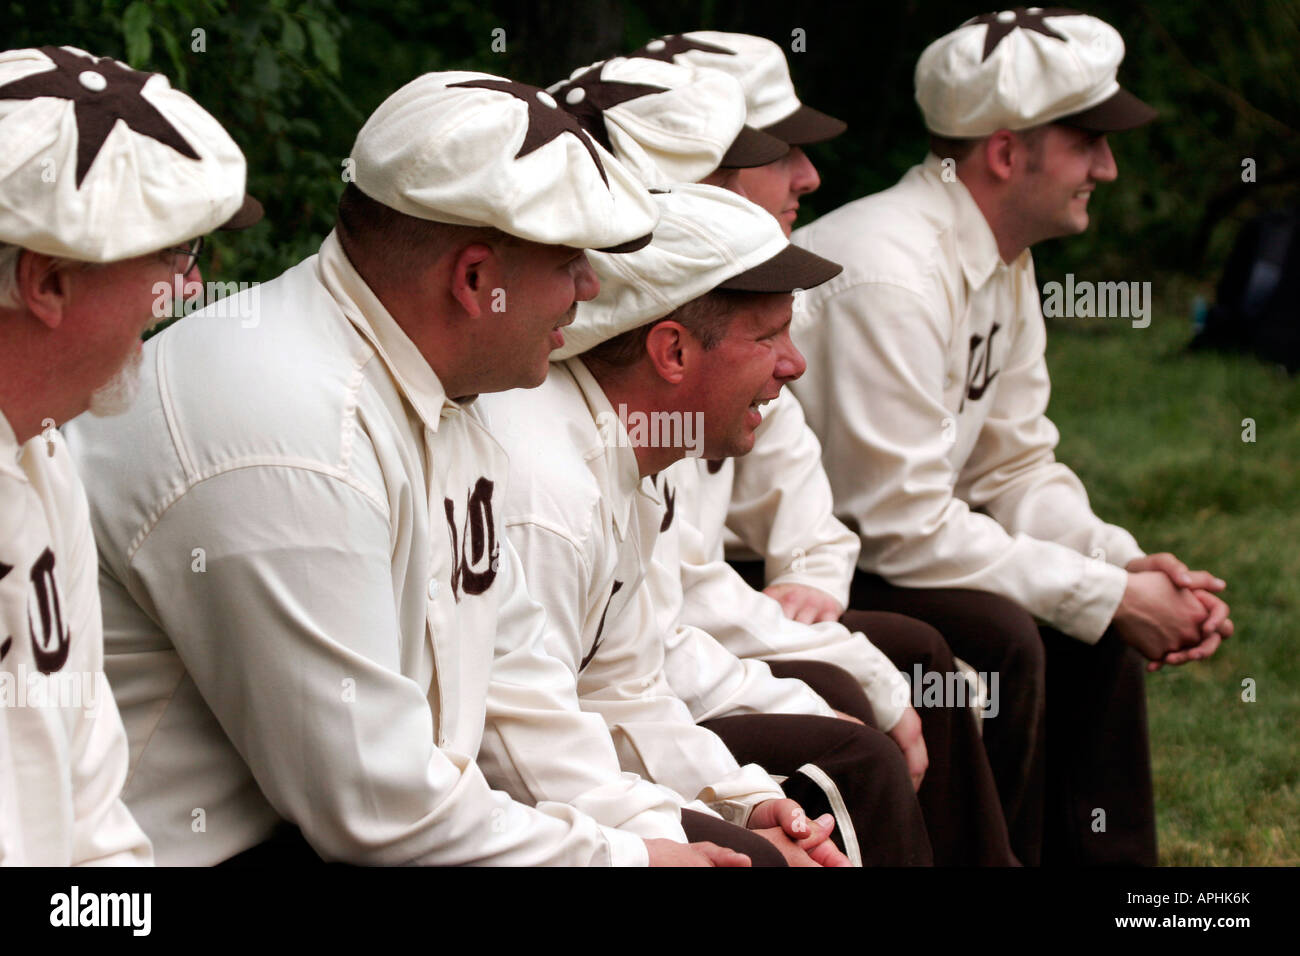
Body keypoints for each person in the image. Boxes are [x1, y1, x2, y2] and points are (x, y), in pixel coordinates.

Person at [63, 69, 768, 867]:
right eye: (569, 260)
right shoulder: (297, 434)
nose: (591, 286)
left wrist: (674, 825)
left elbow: (510, 687)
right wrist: (626, 860)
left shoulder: (434, 394)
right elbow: (374, 806)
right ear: (474, 280)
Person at [792, 8, 1233, 865]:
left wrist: (1120, 565)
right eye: (1087, 141)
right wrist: (1102, 594)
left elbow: (1016, 464)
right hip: (804, 567)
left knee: (1087, 621)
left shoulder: (1000, 254)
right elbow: (902, 527)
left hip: (890, 542)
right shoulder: (890, 273)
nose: (1106, 167)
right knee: (1006, 633)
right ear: (1004, 152)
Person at [582, 35, 1015, 864]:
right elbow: (648, 630)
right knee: (860, 721)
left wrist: (810, 584)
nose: (807, 178)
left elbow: (805, 513)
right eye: (771, 154)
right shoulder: (595, 390)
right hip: (636, 698)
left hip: (683, 654)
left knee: (901, 669)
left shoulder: (707, 336)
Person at [480, 184, 934, 866]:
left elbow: (625, 688)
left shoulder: (636, 454)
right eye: (768, 336)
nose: (795, 363)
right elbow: (518, 747)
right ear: (673, 353)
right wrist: (691, 829)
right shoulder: (547, 495)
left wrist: (738, 797)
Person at [0, 44, 260, 864]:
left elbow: (93, 816)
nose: (188, 288)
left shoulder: (45, 450)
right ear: (47, 283)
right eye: (168, 258)